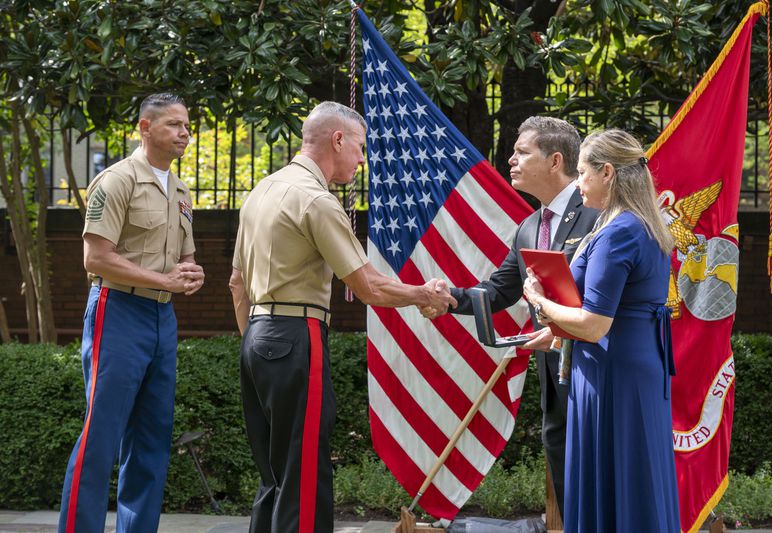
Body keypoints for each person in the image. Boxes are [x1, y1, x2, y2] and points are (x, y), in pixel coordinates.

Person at [228, 101, 456, 533]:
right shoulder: (316, 200)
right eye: (361, 147)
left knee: (274, 472)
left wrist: (256, 343)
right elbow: (370, 287)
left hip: (255, 338)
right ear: (338, 140)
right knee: (304, 470)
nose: (362, 159)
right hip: (298, 334)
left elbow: (237, 285)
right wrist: (424, 293)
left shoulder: (261, 191)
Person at [421, 116, 598, 519]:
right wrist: (450, 298)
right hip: (554, 373)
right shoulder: (529, 226)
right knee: (564, 469)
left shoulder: (597, 212)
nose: (510, 160)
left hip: (596, 370)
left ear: (555, 161)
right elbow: (500, 291)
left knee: (599, 475)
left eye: (522, 152)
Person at [58, 93, 205, 533]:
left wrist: (192, 275)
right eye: (174, 125)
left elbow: (186, 257)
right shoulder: (115, 181)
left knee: (152, 438)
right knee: (102, 434)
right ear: (145, 127)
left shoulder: (180, 190)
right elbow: (95, 258)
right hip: (117, 310)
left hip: (162, 320)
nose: (184, 133)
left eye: (186, 125)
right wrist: (164, 281)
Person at [523, 129, 680, 532]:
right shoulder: (640, 224)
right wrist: (558, 331)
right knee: (635, 480)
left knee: (616, 480)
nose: (577, 184)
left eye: (581, 173)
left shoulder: (618, 233)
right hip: (633, 366)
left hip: (612, 372)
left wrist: (541, 303)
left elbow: (594, 324)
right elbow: (618, 312)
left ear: (607, 172)